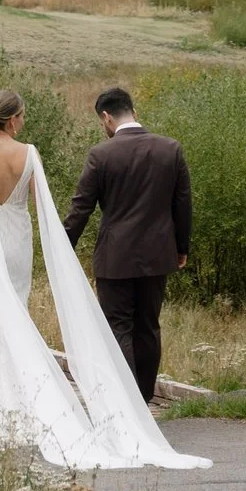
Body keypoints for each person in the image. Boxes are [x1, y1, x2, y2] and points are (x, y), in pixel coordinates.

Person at [0, 89, 205, 470]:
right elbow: (41, 204)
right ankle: (129, 405)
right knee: (139, 326)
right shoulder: (30, 154)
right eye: (23, 116)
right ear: (13, 120)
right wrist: (181, 247)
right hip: (25, 244)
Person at [62, 86, 191, 404]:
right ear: (133, 111)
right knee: (148, 326)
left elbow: (81, 208)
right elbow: (183, 204)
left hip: (115, 257)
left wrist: (62, 247)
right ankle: (144, 400)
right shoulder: (170, 149)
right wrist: (181, 248)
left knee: (117, 326)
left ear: (106, 117)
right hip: (158, 256)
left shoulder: (101, 155)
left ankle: (125, 402)